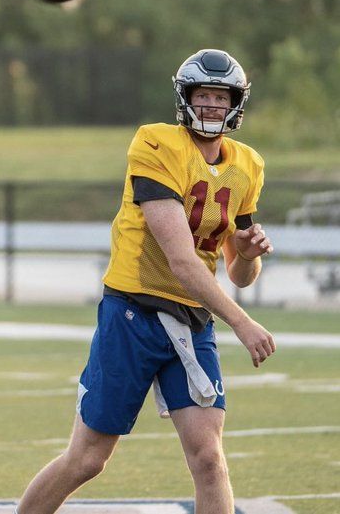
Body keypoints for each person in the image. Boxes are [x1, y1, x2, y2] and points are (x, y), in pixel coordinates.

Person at [16, 49, 276, 514]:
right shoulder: (156, 145)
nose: (213, 105)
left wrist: (250, 256)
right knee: (88, 459)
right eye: (204, 95)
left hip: (193, 320)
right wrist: (242, 323)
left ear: (236, 102)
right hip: (134, 312)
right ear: (185, 98)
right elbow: (180, 259)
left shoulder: (247, 165)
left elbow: (239, 273)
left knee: (210, 459)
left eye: (221, 96)